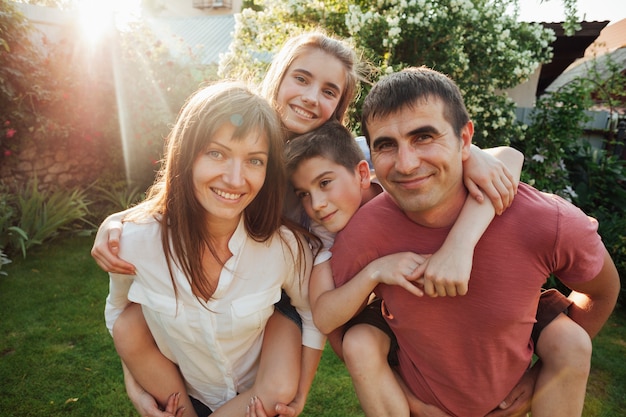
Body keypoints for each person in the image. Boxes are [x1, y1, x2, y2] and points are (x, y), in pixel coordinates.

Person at [94, 33, 519, 417]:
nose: (312, 96)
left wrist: (473, 161)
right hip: (261, 283)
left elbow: (509, 158)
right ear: (278, 78)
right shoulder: (240, 134)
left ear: (340, 106)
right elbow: (177, 191)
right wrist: (115, 222)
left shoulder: (338, 152)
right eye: (301, 78)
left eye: (329, 90)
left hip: (294, 286)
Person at [324, 67, 620, 417]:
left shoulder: (545, 220)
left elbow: (601, 292)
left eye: (423, 137)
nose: (406, 164)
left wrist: (544, 376)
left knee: (571, 340)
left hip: (512, 395)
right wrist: (405, 397)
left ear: (465, 140)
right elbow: (334, 323)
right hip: (417, 405)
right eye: (386, 145)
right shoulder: (364, 232)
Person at [104, 81, 323, 417]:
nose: (235, 180)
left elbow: (310, 314)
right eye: (216, 153)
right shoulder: (133, 243)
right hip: (183, 398)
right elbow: (119, 312)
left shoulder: (283, 248)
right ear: (186, 155)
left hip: (258, 402)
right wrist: (135, 383)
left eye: (254, 160)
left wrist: (300, 394)